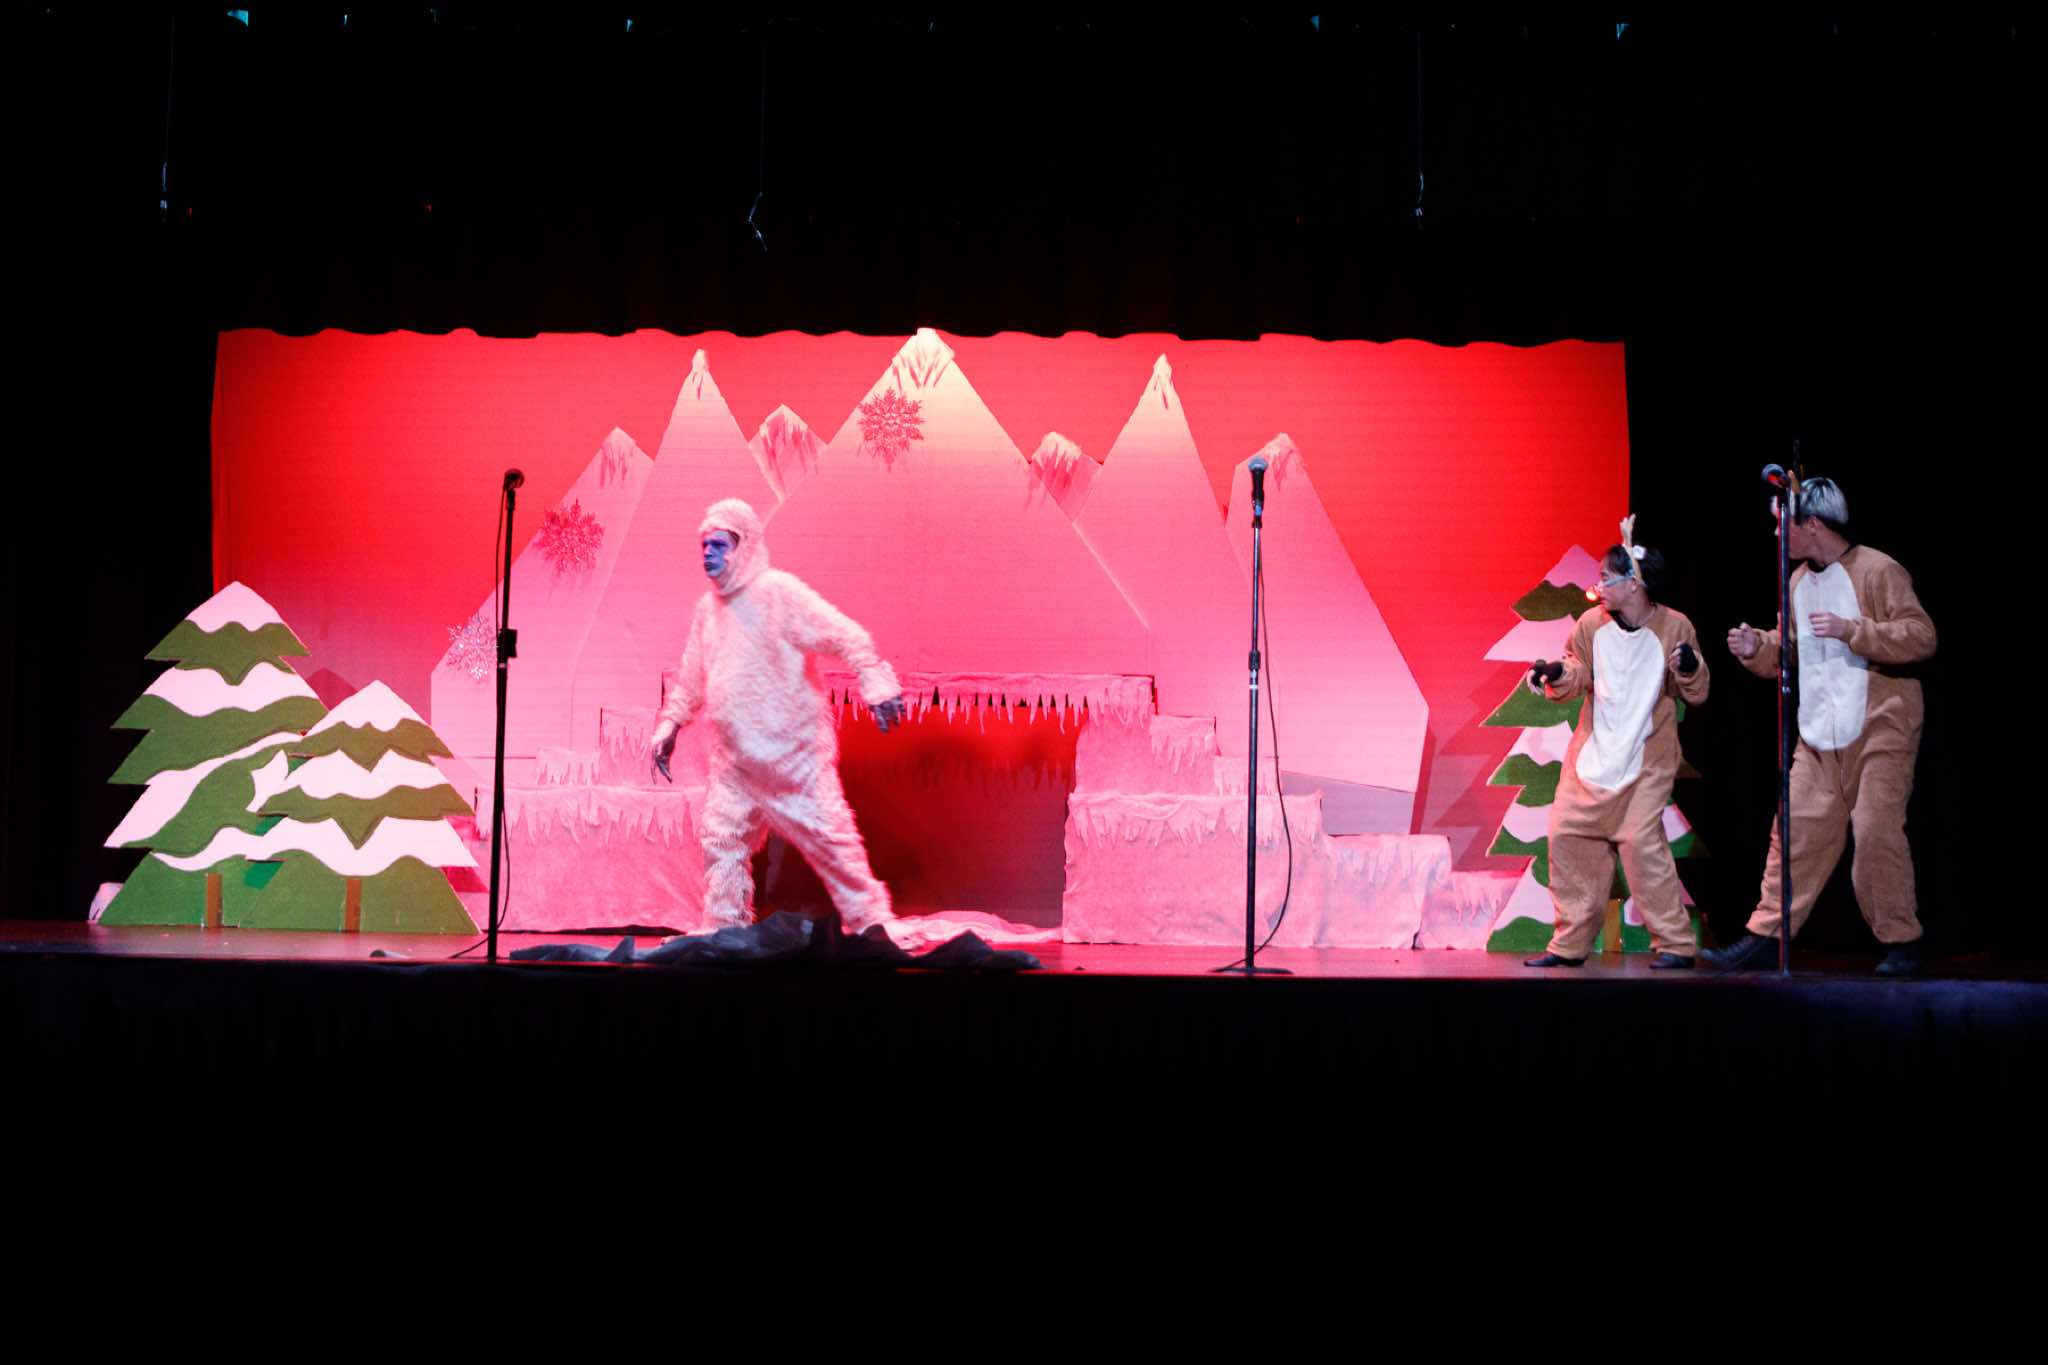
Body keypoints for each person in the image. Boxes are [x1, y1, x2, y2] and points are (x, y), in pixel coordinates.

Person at [1704, 477, 1936, 975]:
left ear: (1811, 524)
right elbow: (1790, 648)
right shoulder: (1797, 582)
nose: (1777, 535)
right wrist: (1759, 646)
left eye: (1782, 525)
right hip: (1818, 735)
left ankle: (1901, 941)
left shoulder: (1877, 570)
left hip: (1880, 729)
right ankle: (1766, 937)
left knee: (1875, 832)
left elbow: (1921, 636)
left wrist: (1854, 631)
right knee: (1794, 836)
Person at [648, 498, 908, 934]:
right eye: (704, 545)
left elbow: (845, 634)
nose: (708, 553)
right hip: (736, 761)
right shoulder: (708, 611)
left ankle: (872, 922)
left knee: (831, 840)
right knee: (721, 839)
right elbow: (691, 677)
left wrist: (875, 680)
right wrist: (670, 725)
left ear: (744, 546)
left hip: (792, 757)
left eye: (718, 545)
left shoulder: (778, 593)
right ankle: (724, 927)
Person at [1524, 519, 1710, 970]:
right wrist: (1556, 672)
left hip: (1645, 762)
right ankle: (1569, 944)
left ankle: (1676, 945)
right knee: (1567, 835)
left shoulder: (1675, 626)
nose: (1599, 586)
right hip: (1593, 758)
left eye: (1607, 578)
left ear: (1635, 584)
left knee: (1642, 847)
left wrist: (1688, 666)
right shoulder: (1592, 625)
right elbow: (1576, 670)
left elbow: (1696, 690)